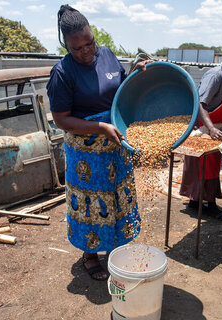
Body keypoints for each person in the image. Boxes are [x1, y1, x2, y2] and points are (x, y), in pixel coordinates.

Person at [46, 5, 151, 281]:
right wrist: (100, 127)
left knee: (117, 197)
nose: (86, 51)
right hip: (87, 154)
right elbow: (61, 119)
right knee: (92, 203)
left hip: (116, 146)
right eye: (77, 48)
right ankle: (90, 255)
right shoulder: (62, 72)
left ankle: (115, 250)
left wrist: (136, 72)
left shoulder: (106, 55)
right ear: (66, 46)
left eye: (89, 42)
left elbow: (120, 86)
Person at [179, 52, 222, 220]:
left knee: (213, 164)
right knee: (203, 165)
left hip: (218, 128)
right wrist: (210, 129)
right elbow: (201, 104)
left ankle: (198, 202)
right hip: (203, 126)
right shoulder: (216, 76)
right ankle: (205, 204)